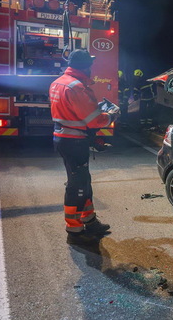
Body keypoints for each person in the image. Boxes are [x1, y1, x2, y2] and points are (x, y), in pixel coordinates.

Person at [49, 49, 119, 245]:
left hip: (65, 138)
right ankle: (75, 231)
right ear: (85, 66)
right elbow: (94, 120)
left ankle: (89, 221)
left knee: (83, 182)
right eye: (90, 65)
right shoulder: (77, 87)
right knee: (77, 186)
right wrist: (112, 115)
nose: (91, 68)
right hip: (74, 141)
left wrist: (94, 106)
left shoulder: (59, 82)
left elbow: (75, 110)